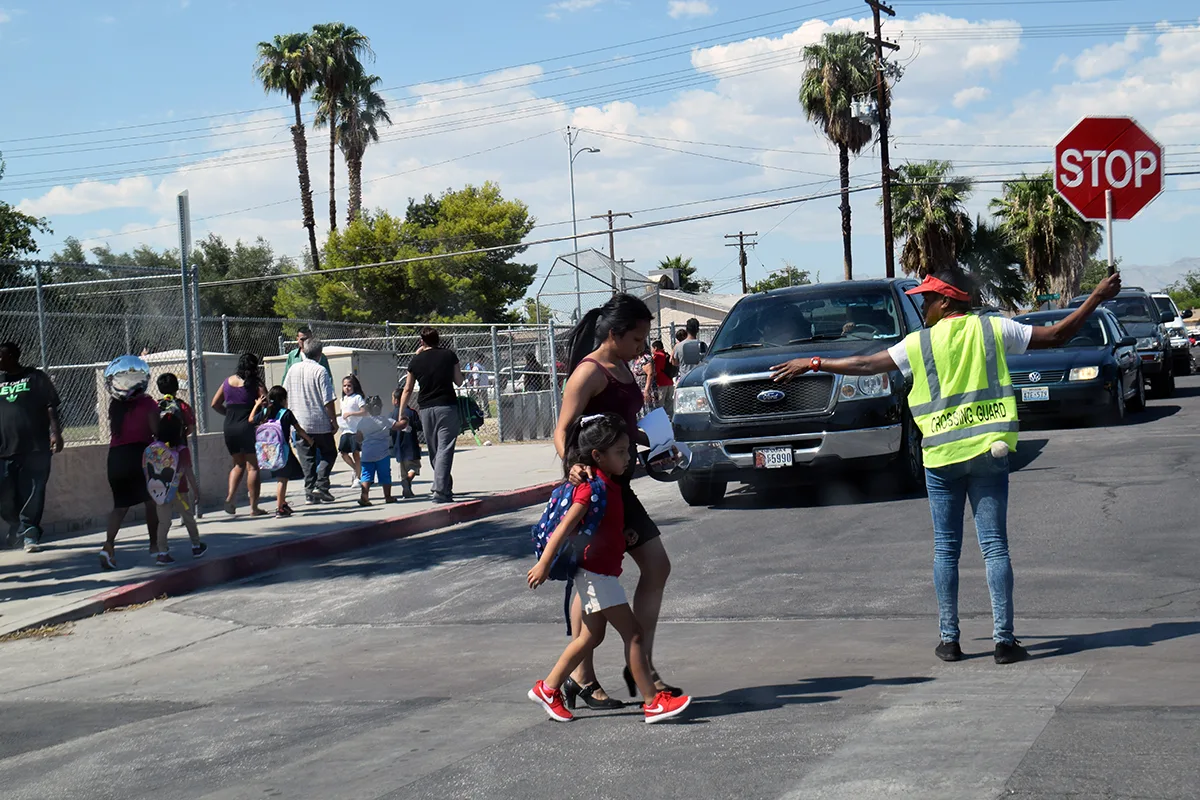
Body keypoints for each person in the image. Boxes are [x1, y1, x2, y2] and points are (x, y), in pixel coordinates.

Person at [771, 269, 1125, 665]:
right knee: (994, 547)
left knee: (946, 549)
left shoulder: (918, 343)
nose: (921, 306)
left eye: (926, 300)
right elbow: (1058, 335)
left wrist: (816, 361)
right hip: (988, 453)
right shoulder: (993, 330)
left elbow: (867, 365)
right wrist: (1095, 297)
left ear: (946, 302)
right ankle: (1004, 642)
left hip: (941, 459)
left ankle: (949, 639)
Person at [554, 293, 678, 708]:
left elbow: (620, 424)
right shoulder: (588, 373)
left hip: (621, 484)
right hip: (595, 489)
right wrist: (572, 466)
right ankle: (582, 676)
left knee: (656, 566)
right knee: (590, 579)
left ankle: (638, 661)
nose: (643, 348)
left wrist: (652, 439)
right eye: (638, 339)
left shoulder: (623, 367)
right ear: (614, 334)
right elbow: (563, 429)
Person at [527, 412, 692, 724]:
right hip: (597, 576)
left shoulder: (609, 485)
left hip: (598, 573)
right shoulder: (592, 488)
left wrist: (624, 536)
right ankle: (652, 701)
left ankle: (548, 688)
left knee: (589, 638)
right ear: (597, 456)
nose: (627, 458)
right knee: (634, 635)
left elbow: (602, 528)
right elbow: (565, 528)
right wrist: (544, 563)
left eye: (628, 450)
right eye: (619, 452)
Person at [0, 341, 63, 553]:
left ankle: (30, 533)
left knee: (33, 492)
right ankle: (16, 524)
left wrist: (55, 433)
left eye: (1, 356)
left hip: (35, 447)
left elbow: (50, 406)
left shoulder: (34, 377)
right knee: (4, 494)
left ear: (11, 357)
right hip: (4, 449)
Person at [99, 377, 161, 570]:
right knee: (151, 501)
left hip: (116, 456)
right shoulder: (147, 403)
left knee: (120, 506)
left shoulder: (115, 405)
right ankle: (154, 545)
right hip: (140, 454)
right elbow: (155, 429)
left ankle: (108, 545)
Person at [398, 327, 464, 504]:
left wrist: (401, 412)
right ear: (438, 340)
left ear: (421, 341)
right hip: (446, 406)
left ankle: (444, 486)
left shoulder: (415, 361)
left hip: (425, 409)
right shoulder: (449, 355)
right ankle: (440, 489)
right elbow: (459, 381)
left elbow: (407, 388)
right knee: (445, 448)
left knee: (435, 450)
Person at [145, 401, 206, 566]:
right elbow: (188, 472)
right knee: (188, 518)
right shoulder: (181, 450)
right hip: (180, 491)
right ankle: (196, 546)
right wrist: (197, 490)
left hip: (160, 492)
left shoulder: (154, 449)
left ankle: (162, 552)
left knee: (164, 523)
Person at [283, 336, 339, 504]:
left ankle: (310, 493)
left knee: (307, 459)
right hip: (318, 422)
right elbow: (328, 399)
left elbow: (285, 392)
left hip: (299, 423)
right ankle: (321, 486)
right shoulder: (320, 370)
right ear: (319, 354)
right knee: (329, 453)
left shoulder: (293, 369)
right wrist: (333, 421)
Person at [211, 353, 267, 517]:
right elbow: (266, 404)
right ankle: (254, 507)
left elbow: (214, 403)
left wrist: (229, 415)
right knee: (253, 466)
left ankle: (230, 497)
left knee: (238, 464)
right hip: (247, 426)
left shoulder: (227, 381)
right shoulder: (255, 383)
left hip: (229, 426)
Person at [251, 386, 313, 518]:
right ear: (283, 399)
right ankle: (280, 508)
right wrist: (309, 439)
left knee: (283, 477)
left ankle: (283, 503)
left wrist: (257, 405)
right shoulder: (286, 413)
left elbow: (251, 420)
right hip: (283, 450)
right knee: (282, 480)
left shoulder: (266, 411)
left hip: (269, 451)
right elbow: (298, 429)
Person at [156, 373, 196, 523]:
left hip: (160, 449)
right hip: (178, 448)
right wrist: (180, 436)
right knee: (181, 482)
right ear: (176, 387)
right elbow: (190, 427)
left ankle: (164, 517)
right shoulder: (182, 405)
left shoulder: (157, 405)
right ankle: (185, 515)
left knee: (161, 481)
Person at [356, 395, 400, 506]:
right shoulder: (385, 420)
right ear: (380, 407)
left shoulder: (362, 422)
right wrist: (405, 419)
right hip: (382, 454)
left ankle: (364, 496)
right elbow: (400, 426)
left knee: (366, 475)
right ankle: (388, 496)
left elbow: (358, 437)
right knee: (385, 475)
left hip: (367, 454)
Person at [390, 386, 421, 499]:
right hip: (411, 446)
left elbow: (390, 431)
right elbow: (419, 426)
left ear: (396, 400)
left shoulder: (392, 414)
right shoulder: (412, 412)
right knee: (414, 468)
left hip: (399, 447)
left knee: (403, 471)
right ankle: (408, 482)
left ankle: (406, 486)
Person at [337, 374, 367, 488]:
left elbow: (364, 411)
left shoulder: (357, 398)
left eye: (349, 385)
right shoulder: (343, 399)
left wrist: (351, 413)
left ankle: (358, 478)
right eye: (344, 386)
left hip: (356, 430)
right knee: (343, 453)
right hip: (346, 430)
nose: (347, 388)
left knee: (356, 454)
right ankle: (356, 468)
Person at [650, 340, 674, 416]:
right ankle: (670, 419)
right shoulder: (667, 355)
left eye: (652, 348)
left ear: (656, 348)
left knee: (660, 403)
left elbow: (656, 371)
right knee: (669, 402)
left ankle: (661, 419)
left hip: (661, 382)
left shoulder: (657, 356)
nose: (652, 350)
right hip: (670, 381)